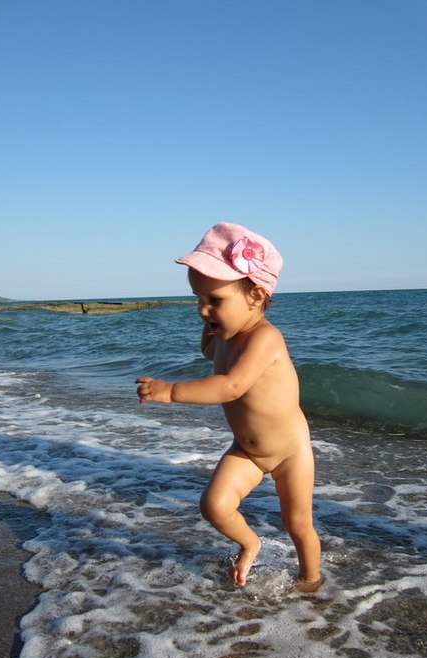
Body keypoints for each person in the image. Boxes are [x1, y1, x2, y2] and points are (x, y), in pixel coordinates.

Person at [136, 222, 322, 591]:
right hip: (247, 451)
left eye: (214, 300)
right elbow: (209, 353)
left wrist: (171, 392)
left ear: (256, 295)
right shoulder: (225, 336)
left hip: (290, 453)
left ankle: (311, 581)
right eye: (198, 299)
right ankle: (250, 543)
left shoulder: (265, 338)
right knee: (214, 506)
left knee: (297, 524)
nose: (203, 310)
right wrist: (213, 324)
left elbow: (231, 386)